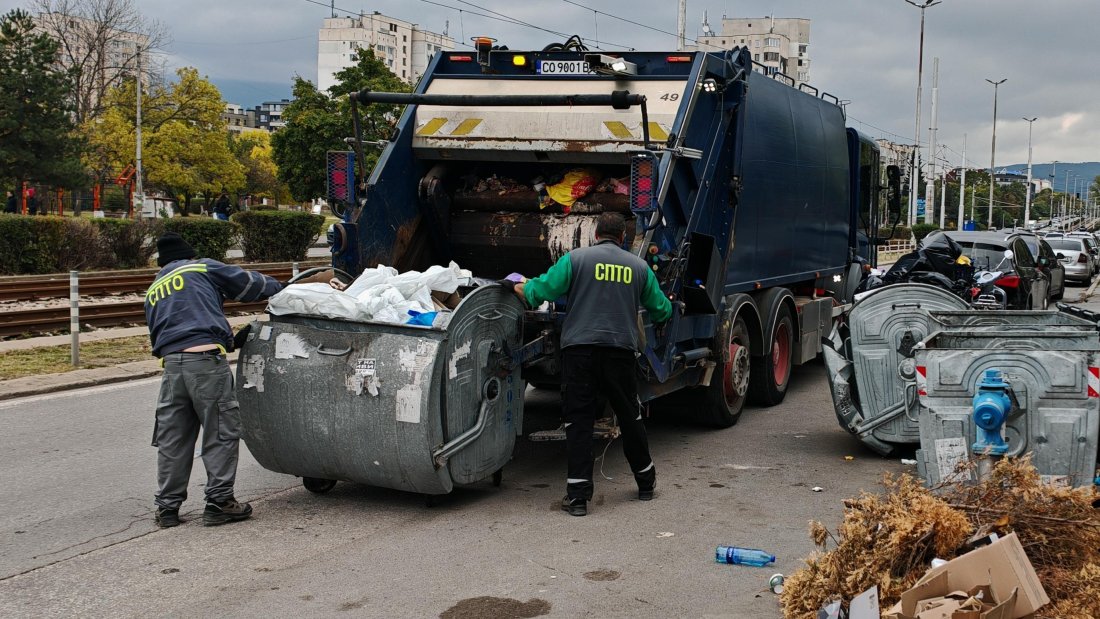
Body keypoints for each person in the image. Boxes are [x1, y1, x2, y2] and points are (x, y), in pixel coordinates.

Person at [509, 212, 672, 516]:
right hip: (620, 352)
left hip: (579, 352)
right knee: (630, 416)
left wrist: (518, 286)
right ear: (622, 237)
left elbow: (541, 292)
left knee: (579, 420)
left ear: (596, 234)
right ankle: (646, 483)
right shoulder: (638, 267)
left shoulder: (575, 260)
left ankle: (578, 498)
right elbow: (661, 309)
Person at [144, 232, 284, 528]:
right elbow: (251, 285)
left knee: (173, 439)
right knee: (220, 431)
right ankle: (220, 503)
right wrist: (281, 288)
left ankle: (167, 508)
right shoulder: (200, 267)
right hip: (206, 366)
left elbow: (177, 330)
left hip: (172, 369)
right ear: (188, 255)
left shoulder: (155, 288)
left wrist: (229, 341)